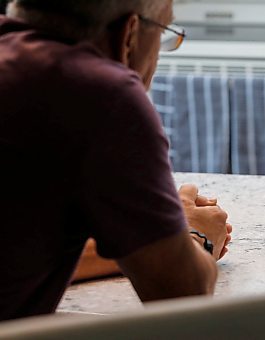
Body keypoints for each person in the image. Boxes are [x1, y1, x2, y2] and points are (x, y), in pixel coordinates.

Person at [0, 0, 232, 321]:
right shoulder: (102, 93)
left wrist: (159, 228)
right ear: (130, 34)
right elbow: (183, 296)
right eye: (165, 33)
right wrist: (195, 234)